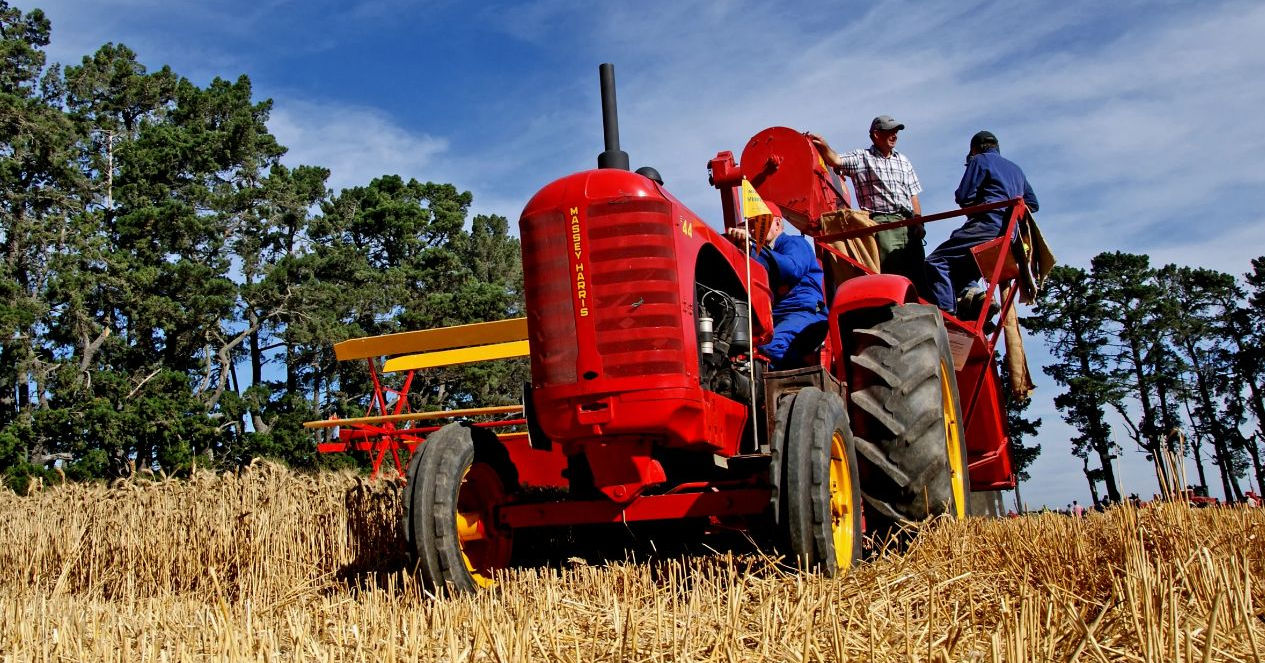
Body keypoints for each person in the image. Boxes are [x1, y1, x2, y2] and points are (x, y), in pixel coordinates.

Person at [925, 130, 1039, 316]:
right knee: (961, 264)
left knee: (936, 262)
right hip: (1010, 237)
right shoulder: (1016, 170)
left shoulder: (980, 160)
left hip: (987, 226)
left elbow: (963, 196)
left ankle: (945, 314)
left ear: (975, 150)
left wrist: (981, 206)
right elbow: (1033, 204)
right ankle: (976, 302)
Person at [807, 116, 926, 289]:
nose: (894, 135)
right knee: (892, 268)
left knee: (917, 270)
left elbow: (913, 194)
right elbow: (836, 160)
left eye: (896, 131)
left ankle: (924, 305)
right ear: (876, 135)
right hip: (883, 222)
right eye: (890, 131)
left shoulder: (903, 160)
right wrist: (824, 145)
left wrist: (918, 220)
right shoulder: (863, 157)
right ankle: (896, 307)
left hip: (909, 222)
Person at [726, 202, 827, 369]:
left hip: (806, 313)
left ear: (778, 223)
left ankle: (801, 379)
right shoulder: (759, 255)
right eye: (750, 226)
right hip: (776, 319)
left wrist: (751, 248)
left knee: (770, 349)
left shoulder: (795, 244)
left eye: (758, 223)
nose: (752, 230)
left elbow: (790, 269)